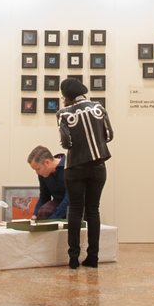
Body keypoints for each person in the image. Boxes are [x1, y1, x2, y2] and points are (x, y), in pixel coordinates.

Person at [57, 77, 113, 269]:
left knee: (75, 209)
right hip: (98, 167)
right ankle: (93, 258)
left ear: (67, 96)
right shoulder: (99, 107)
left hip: (75, 168)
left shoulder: (64, 113)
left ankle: (73, 258)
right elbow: (109, 136)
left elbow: (66, 143)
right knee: (93, 210)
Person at [26, 144, 68, 220]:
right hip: (57, 203)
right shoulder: (43, 174)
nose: (37, 173)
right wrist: (35, 215)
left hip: (74, 205)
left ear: (47, 162)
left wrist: (53, 219)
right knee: (44, 211)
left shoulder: (68, 167)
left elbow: (69, 198)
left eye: (38, 169)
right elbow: (44, 195)